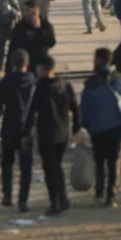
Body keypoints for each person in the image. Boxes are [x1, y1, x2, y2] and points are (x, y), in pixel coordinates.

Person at [23, 56, 81, 216]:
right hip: (63, 133)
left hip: (46, 133)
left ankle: (55, 202)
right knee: (57, 167)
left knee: (50, 169)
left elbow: (30, 113)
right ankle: (63, 198)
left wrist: (26, 133)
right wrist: (76, 128)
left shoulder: (39, 88)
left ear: (43, 69)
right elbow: (75, 108)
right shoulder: (64, 85)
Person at [0, 49, 36, 212]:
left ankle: (7, 195)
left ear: (12, 63)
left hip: (9, 127)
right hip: (27, 130)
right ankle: (23, 199)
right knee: (26, 166)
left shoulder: (6, 81)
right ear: (27, 64)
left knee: (7, 163)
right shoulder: (32, 81)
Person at [80, 48, 121, 208]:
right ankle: (111, 194)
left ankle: (99, 189)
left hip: (97, 128)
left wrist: (84, 124)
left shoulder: (91, 83)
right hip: (117, 127)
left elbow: (85, 106)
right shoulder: (119, 80)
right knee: (114, 162)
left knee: (100, 160)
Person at [7, 1, 57, 71]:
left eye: (32, 13)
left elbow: (51, 42)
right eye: (25, 11)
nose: (27, 14)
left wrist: (38, 29)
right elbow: (13, 48)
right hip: (24, 67)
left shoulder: (45, 25)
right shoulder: (20, 27)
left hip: (39, 66)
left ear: (38, 13)